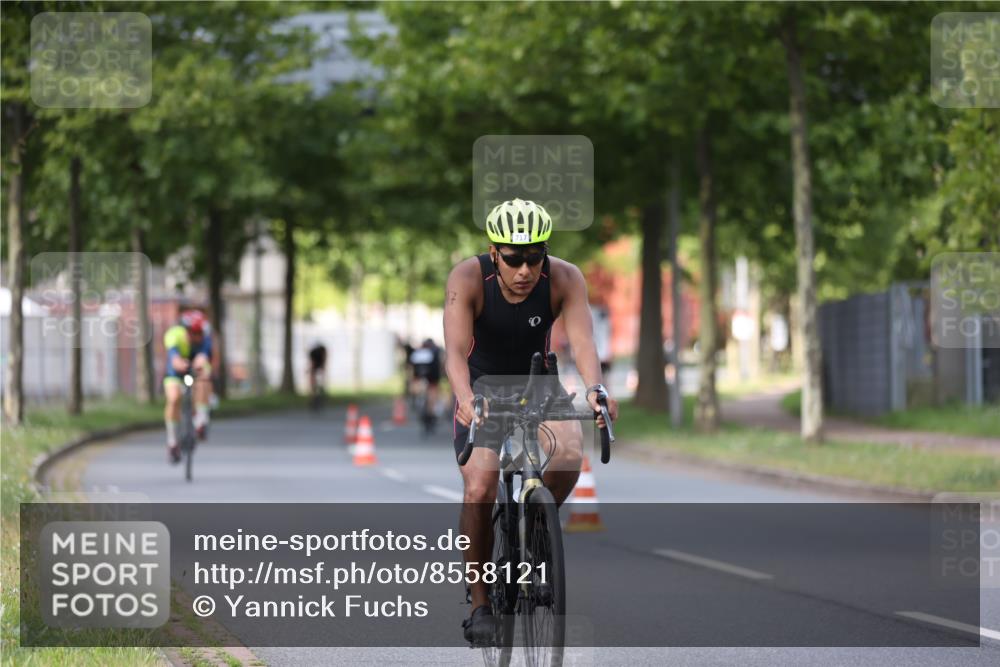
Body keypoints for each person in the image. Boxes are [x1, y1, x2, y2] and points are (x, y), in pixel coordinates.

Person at [443, 198, 619, 644]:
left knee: (569, 455)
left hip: (537, 381)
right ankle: (480, 603)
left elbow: (582, 342)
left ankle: (536, 534)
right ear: (493, 251)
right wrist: (464, 399)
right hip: (481, 387)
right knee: (480, 487)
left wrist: (597, 389)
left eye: (534, 257)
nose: (524, 270)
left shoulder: (565, 278)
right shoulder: (468, 279)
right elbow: (455, 355)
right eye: (514, 258)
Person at [162, 310, 214, 464]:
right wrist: (180, 364)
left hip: (196, 370)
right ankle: (172, 442)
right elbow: (174, 359)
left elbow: (204, 358)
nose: (197, 337)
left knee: (204, 380)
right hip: (175, 372)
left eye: (199, 333)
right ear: (186, 331)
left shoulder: (205, 338)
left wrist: (201, 365)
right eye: (193, 333)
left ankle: (201, 420)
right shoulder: (174, 335)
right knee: (174, 398)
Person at [409, 338, 442, 430]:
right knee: (432, 395)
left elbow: (411, 368)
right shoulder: (433, 352)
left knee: (416, 389)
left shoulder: (416, 353)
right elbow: (438, 368)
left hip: (419, 378)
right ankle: (431, 412)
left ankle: (416, 399)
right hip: (432, 378)